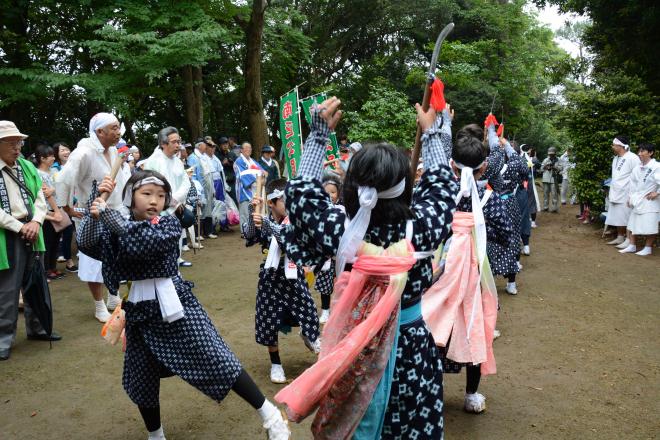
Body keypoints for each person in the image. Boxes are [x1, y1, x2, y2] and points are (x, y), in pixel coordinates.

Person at [275, 97, 457, 439]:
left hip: (355, 345)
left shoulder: (338, 230)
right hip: (411, 345)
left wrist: (317, 137)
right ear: (406, 185)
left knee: (355, 416)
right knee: (409, 421)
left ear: (352, 187)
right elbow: (443, 187)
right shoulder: (424, 228)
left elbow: (300, 196)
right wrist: (432, 134)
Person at [78, 169, 290, 440]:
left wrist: (107, 214)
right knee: (141, 378)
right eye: (146, 194)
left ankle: (271, 416)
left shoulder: (166, 225)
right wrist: (95, 208)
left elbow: (139, 239)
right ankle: (156, 436)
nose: (154, 201)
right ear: (130, 197)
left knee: (217, 359)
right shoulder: (117, 225)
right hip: (140, 314)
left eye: (161, 195)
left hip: (175, 306)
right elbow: (86, 243)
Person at [423, 117, 512, 414]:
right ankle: (472, 394)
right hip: (474, 275)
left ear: (451, 165)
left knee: (433, 326)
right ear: (484, 167)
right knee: (476, 326)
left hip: (438, 273)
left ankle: (429, 390)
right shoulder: (492, 200)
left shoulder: (439, 196)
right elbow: (504, 233)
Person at [244, 178, 321, 384]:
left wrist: (267, 224)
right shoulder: (264, 217)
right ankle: (276, 363)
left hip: (294, 275)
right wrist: (254, 214)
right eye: (285, 200)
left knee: (308, 311)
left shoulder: (296, 220)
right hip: (271, 278)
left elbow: (288, 240)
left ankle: (309, 335)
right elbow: (249, 235)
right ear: (271, 203)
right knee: (269, 321)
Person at [57, 112, 129, 322]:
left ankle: (113, 297)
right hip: (92, 215)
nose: (118, 132)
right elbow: (63, 180)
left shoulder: (114, 150)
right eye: (113, 128)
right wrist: (68, 209)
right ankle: (99, 306)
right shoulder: (83, 152)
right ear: (100, 131)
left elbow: (121, 179)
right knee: (93, 261)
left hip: (114, 211)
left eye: (118, 127)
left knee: (113, 256)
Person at [0, 121, 62, 361]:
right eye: (11, 142)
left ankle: (39, 328)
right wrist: (20, 226)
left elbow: (39, 196)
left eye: (19, 142)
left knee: (36, 282)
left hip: (33, 229)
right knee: (7, 289)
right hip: (7, 233)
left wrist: (36, 222)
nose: (17, 147)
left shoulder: (26, 166)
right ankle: (3, 339)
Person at [143, 127, 193, 267]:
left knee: (177, 238)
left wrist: (176, 200)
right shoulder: (153, 162)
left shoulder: (177, 161)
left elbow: (185, 182)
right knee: (162, 243)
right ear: (163, 144)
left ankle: (176, 266)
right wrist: (171, 202)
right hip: (160, 210)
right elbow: (152, 187)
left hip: (177, 207)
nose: (178, 145)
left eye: (179, 141)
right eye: (174, 142)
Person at [31, 144, 66, 281]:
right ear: (42, 158)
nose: (53, 158)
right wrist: (56, 212)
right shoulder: (38, 174)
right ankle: (46, 270)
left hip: (56, 209)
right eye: (50, 156)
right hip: (47, 212)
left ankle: (53, 268)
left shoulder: (52, 172)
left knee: (56, 241)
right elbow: (46, 194)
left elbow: (57, 189)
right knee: (47, 242)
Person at [313, 176, 344, 324]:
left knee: (343, 282)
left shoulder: (343, 209)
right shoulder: (318, 209)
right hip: (325, 255)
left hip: (341, 254)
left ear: (338, 193)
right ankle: (325, 310)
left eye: (333, 192)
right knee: (325, 284)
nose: (330, 195)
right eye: (327, 192)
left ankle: (340, 310)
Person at [619, 143, 659, 255]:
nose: (639, 154)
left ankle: (648, 248)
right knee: (632, 224)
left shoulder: (656, 166)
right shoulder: (637, 168)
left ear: (650, 153)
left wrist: (657, 193)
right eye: (639, 151)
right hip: (637, 199)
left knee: (650, 225)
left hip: (650, 201)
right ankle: (632, 245)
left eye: (642, 151)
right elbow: (632, 184)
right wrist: (630, 197)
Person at [605, 135, 641, 246]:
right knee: (617, 216)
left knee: (627, 216)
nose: (612, 147)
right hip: (615, 191)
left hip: (627, 192)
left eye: (614, 145)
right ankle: (620, 237)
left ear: (621, 146)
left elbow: (638, 176)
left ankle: (629, 240)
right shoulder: (615, 158)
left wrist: (634, 193)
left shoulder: (633, 157)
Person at [234, 142, 264, 228]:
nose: (248, 149)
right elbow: (243, 175)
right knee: (245, 211)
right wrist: (258, 180)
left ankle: (253, 230)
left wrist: (263, 175)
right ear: (242, 150)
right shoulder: (238, 161)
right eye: (246, 148)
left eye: (250, 148)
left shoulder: (252, 161)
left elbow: (261, 170)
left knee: (254, 211)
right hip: (244, 190)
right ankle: (244, 231)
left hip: (255, 189)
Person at [541, 147, 563, 212]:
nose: (551, 155)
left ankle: (554, 208)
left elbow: (561, 168)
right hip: (546, 178)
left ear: (555, 153)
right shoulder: (545, 160)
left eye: (552, 154)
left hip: (554, 179)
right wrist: (545, 167)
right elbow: (541, 169)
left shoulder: (558, 160)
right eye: (550, 154)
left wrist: (554, 167)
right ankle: (545, 207)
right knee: (545, 194)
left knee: (554, 194)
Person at [217, 137, 237, 203]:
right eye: (223, 144)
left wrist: (231, 163)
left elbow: (237, 166)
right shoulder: (216, 155)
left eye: (226, 143)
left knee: (235, 200)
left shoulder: (232, 154)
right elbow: (215, 169)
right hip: (222, 183)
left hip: (232, 182)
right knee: (224, 202)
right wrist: (222, 163)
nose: (225, 145)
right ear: (220, 145)